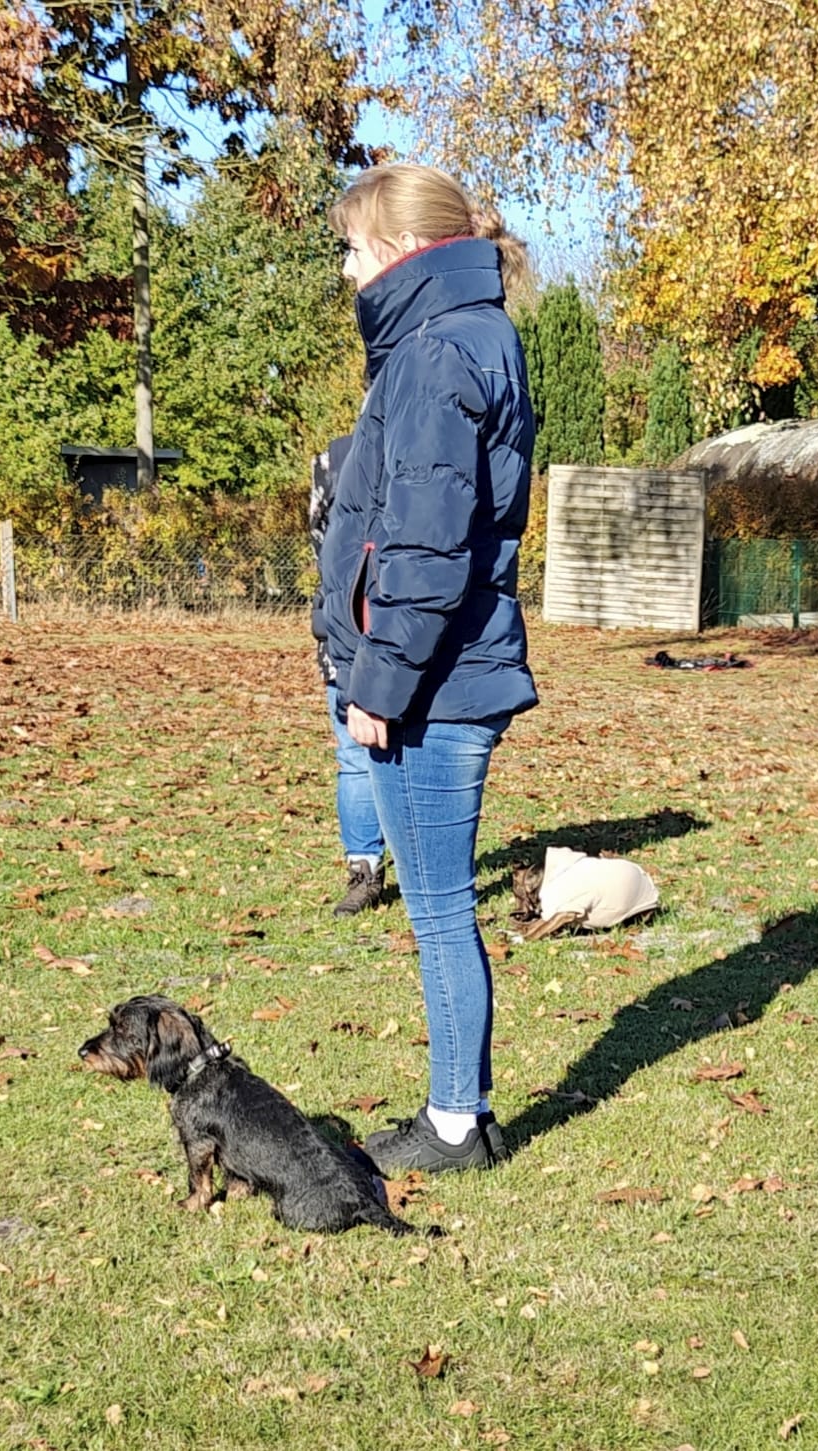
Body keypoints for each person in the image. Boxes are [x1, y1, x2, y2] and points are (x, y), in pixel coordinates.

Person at [320, 163, 537, 1174]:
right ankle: (463, 1112)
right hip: (443, 674)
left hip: (434, 685)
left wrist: (376, 683)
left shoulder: (435, 351)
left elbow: (424, 544)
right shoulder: (460, 336)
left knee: (441, 909)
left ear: (404, 250)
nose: (347, 269)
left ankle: (456, 1123)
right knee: (440, 905)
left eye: (354, 249)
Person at [310, 436, 386, 915]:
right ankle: (371, 868)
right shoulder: (421, 446)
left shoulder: (331, 460)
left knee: (358, 758)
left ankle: (368, 869)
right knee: (364, 756)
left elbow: (320, 539)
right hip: (360, 630)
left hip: (348, 628)